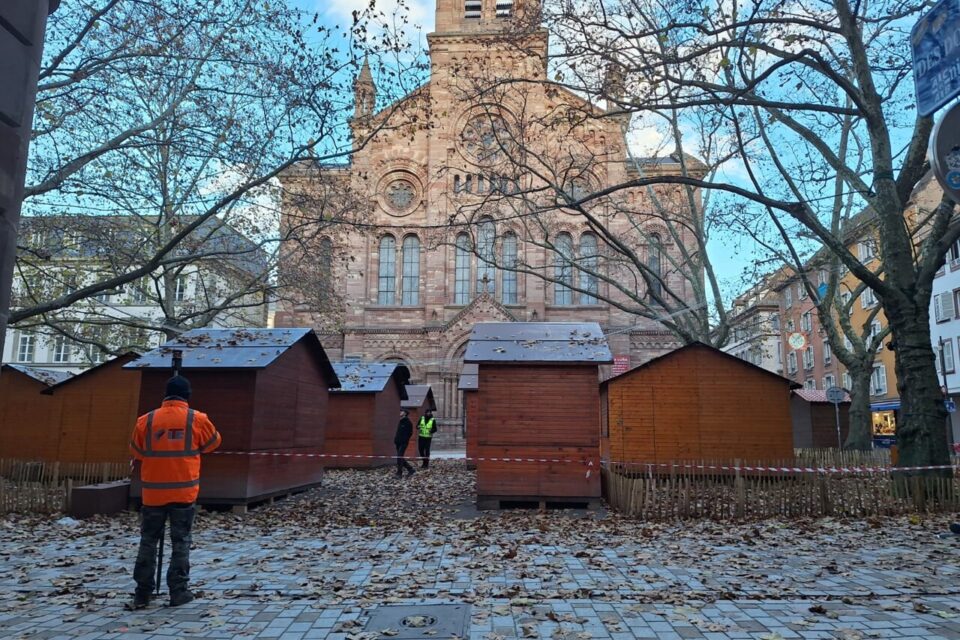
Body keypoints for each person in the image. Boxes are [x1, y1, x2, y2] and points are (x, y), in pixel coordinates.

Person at [128, 374, 221, 609]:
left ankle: (142, 593)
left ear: (165, 395)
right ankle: (178, 592)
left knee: (148, 541)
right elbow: (212, 444)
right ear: (187, 396)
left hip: (153, 494)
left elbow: (137, 451)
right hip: (183, 492)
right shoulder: (197, 419)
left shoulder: (145, 421)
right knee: (181, 542)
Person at [393, 409, 416, 478]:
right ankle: (410, 469)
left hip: (403, 443)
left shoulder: (408, 422)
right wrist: (396, 440)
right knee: (400, 457)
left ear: (405, 413)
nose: (400, 412)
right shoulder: (400, 421)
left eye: (402, 411)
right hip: (398, 442)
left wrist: (404, 440)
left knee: (399, 457)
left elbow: (410, 433)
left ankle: (399, 473)